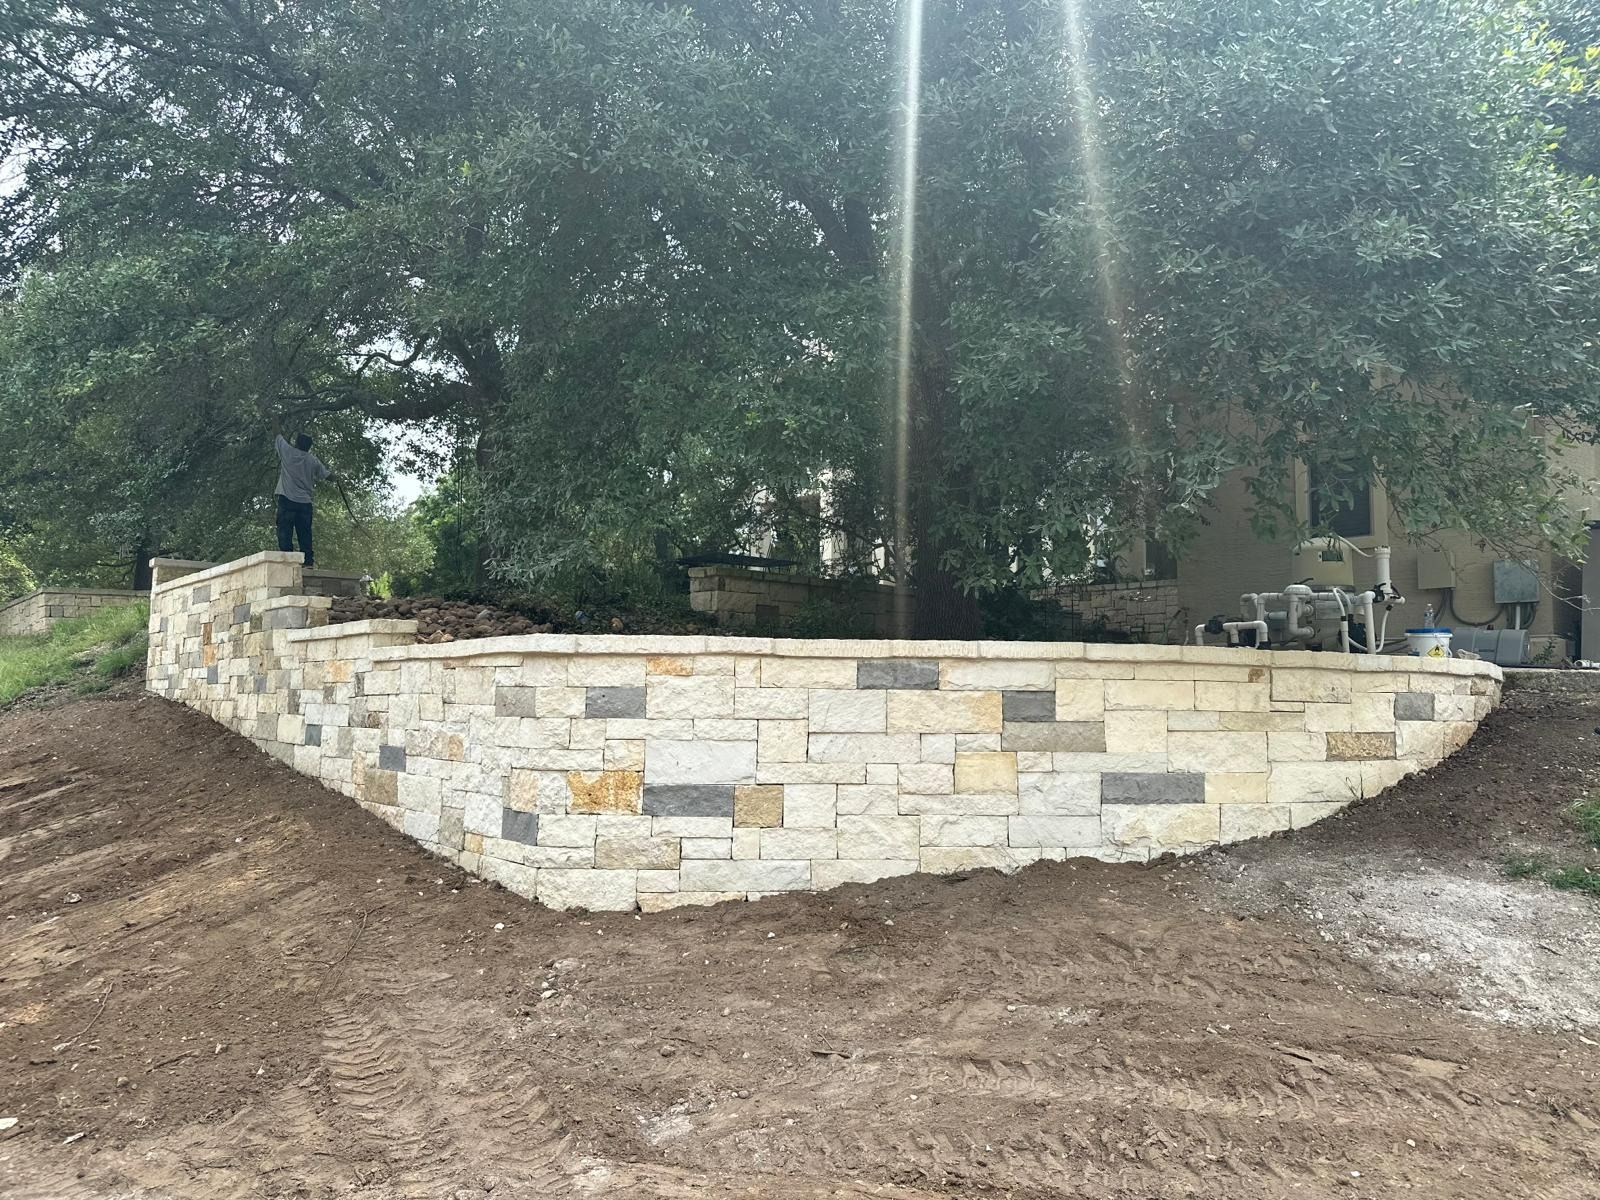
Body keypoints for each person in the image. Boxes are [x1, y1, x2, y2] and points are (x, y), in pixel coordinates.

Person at [272, 423, 332, 567]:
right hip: (305, 503)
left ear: (297, 443)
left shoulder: (288, 452)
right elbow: (327, 475)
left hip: (287, 500)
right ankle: (308, 562)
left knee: (284, 531)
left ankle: (288, 561)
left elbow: (277, 434)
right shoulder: (313, 461)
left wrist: (274, 418)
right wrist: (337, 477)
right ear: (309, 447)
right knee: (305, 533)